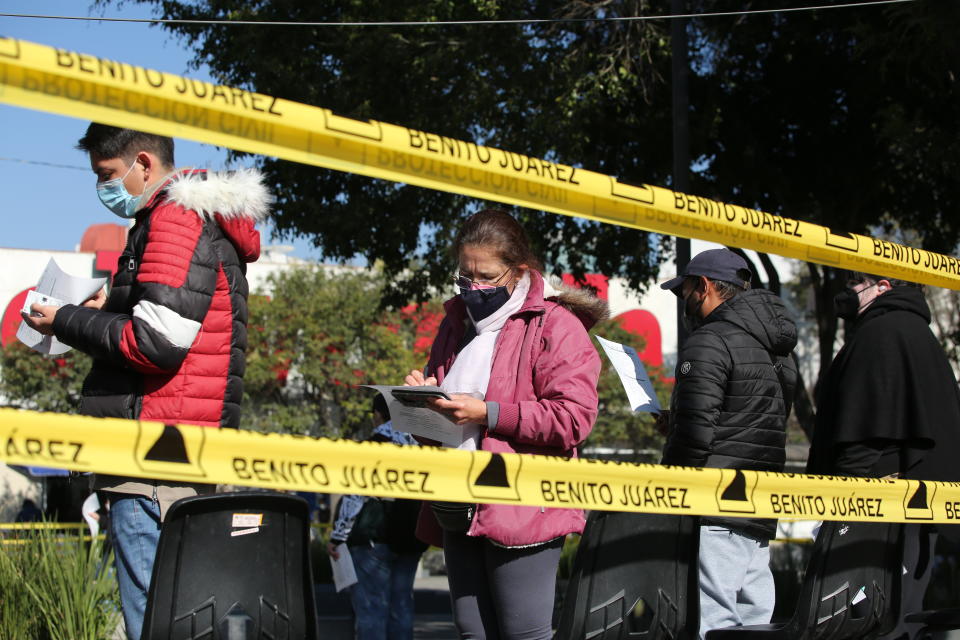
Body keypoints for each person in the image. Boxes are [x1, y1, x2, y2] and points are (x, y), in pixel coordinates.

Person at [21, 123, 269, 640]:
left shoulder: (174, 219)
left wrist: (65, 319)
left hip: (152, 461)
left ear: (144, 164)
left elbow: (156, 344)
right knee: (185, 622)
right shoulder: (189, 219)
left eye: (107, 175)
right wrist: (110, 305)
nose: (102, 189)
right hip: (179, 453)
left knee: (153, 624)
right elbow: (168, 323)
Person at [403, 208, 606, 640]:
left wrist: (489, 413)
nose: (473, 288)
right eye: (464, 276)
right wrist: (420, 402)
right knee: (473, 633)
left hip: (524, 505)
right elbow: (440, 426)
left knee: (524, 634)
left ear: (519, 271)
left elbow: (574, 419)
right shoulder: (455, 323)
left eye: (486, 277)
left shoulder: (557, 326)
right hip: (457, 503)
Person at [807, 271, 960, 640]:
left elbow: (861, 431)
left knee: (867, 619)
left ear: (883, 288)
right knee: (902, 615)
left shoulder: (881, 334)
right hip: (920, 513)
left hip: (878, 512)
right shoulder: (919, 334)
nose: (847, 290)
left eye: (857, 283)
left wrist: (838, 510)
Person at [658, 248, 797, 638]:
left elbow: (696, 438)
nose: (683, 301)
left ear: (702, 287)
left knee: (713, 624)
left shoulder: (708, 341)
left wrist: (668, 495)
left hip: (714, 508)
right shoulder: (780, 349)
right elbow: (761, 420)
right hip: (760, 505)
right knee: (756, 624)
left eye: (683, 290)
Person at [327, 393, 427, 640]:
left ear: (378, 414)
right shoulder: (422, 446)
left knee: (372, 608)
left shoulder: (374, 443)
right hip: (411, 536)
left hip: (373, 538)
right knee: (402, 605)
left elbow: (355, 496)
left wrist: (338, 536)